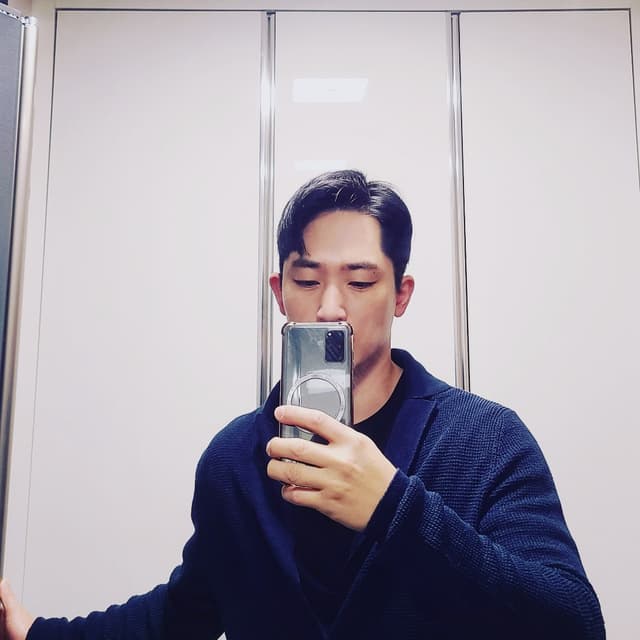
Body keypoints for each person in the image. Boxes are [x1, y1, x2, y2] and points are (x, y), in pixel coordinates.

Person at [0, 170, 604, 639]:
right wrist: (35, 634)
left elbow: (572, 624)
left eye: (361, 282)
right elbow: (180, 615)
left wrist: (393, 508)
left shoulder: (486, 438)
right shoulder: (235, 458)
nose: (331, 307)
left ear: (401, 295)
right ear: (280, 291)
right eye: (308, 280)